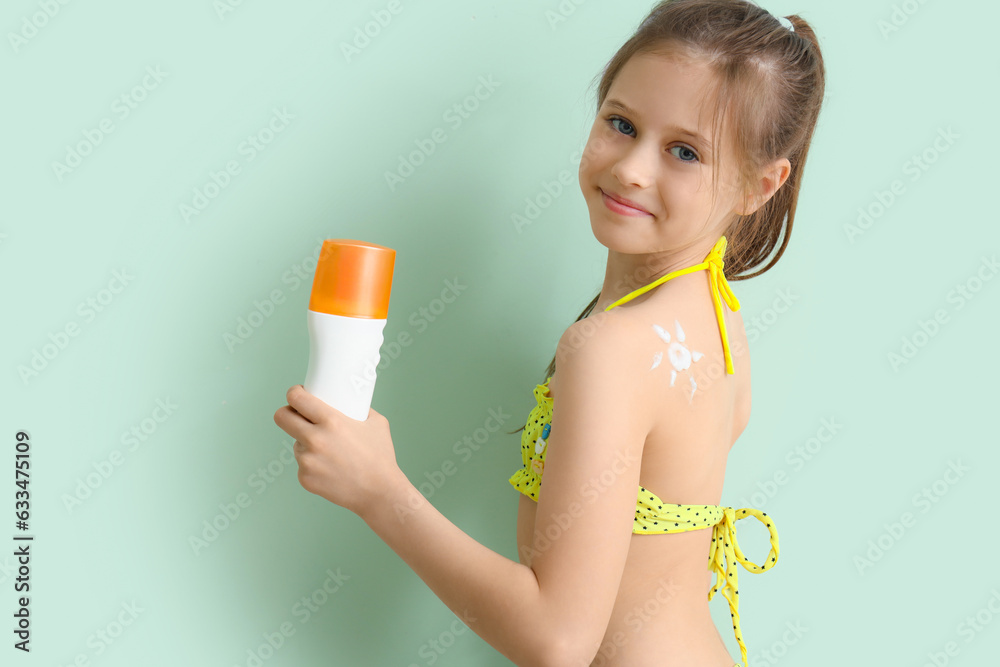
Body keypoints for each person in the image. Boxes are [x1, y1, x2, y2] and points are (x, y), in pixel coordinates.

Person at [274, 1, 826, 666]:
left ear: (759, 186)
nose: (631, 169)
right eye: (621, 123)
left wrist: (379, 489)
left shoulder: (610, 352)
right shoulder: (716, 314)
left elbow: (555, 638)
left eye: (684, 151)